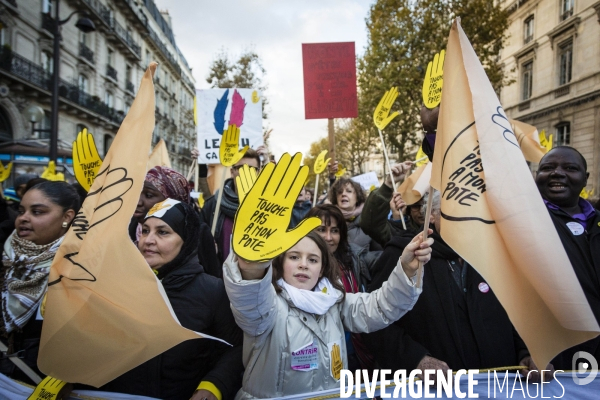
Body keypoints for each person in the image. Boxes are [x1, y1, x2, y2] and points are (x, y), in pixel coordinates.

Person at [223, 230, 432, 399]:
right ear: (280, 263)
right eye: (294, 257)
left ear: (322, 269)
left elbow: (380, 306)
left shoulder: (334, 301)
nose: (303, 264)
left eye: (313, 260)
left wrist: (406, 269)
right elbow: (248, 296)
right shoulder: (266, 304)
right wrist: (251, 265)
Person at [365, 191, 548, 380]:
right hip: (436, 391)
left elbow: (516, 313)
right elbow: (375, 321)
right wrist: (416, 360)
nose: (466, 217)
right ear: (432, 214)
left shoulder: (496, 254)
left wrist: (525, 352)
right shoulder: (405, 254)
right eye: (456, 208)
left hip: (500, 386)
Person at [102, 199, 244, 400]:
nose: (148, 240)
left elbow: (235, 349)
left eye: (162, 232)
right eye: (145, 230)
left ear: (185, 239)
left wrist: (213, 385)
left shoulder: (213, 292)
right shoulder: (117, 284)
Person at [0, 181, 79, 384]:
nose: (24, 218)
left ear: (67, 217)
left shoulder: (81, 270)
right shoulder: (7, 257)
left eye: (37, 212)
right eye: (21, 210)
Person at [535, 146, 600, 370]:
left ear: (585, 178)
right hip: (552, 356)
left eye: (570, 168)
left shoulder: (597, 221)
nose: (558, 173)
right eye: (547, 168)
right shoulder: (522, 221)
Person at [307, 204, 380, 371]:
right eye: (321, 230)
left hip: (358, 350)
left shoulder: (354, 259)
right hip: (321, 356)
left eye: (334, 231)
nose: (328, 237)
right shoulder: (298, 269)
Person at [130, 166, 221, 278]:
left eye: (149, 195)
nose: (138, 202)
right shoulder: (123, 230)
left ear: (172, 200)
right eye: (145, 231)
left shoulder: (198, 233)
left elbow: (212, 282)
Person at [200, 148, 261, 263]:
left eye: (251, 169)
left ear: (258, 172)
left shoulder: (267, 206)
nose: (245, 172)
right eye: (241, 168)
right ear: (232, 172)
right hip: (218, 276)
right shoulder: (213, 205)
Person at [328, 178, 381, 251]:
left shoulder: (370, 221)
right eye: (340, 192)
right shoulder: (328, 220)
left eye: (349, 191)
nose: (343, 194)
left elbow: (379, 253)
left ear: (357, 197)